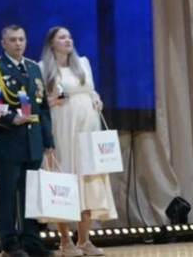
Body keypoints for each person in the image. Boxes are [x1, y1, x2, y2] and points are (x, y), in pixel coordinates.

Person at [0, 25, 54, 257]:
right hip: (9, 138)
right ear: (3, 43)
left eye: (21, 39)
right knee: (7, 194)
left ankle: (31, 241)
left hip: (33, 139)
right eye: (13, 40)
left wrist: (47, 138)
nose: (18, 43)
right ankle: (9, 243)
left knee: (31, 193)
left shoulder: (33, 67)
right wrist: (10, 118)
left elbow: (42, 107)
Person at [41, 26, 118, 256]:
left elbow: (90, 90)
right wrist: (53, 100)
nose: (68, 40)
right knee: (64, 177)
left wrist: (96, 99)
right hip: (62, 127)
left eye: (69, 36)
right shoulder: (44, 68)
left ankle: (84, 239)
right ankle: (65, 241)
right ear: (52, 43)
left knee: (87, 178)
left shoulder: (83, 63)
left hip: (87, 129)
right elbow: (40, 102)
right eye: (62, 37)